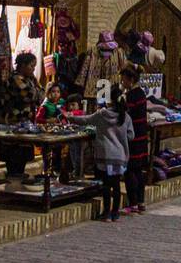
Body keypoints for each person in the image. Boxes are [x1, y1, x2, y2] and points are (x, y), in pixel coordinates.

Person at [67, 87, 133, 221]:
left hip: (104, 156)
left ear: (109, 100)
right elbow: (131, 136)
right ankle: (115, 213)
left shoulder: (102, 114)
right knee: (116, 185)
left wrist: (70, 117)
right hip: (119, 157)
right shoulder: (126, 117)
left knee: (106, 186)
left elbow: (85, 120)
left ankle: (106, 213)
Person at [118, 65, 167, 215]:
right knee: (138, 171)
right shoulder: (140, 93)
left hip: (133, 138)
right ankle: (141, 203)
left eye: (123, 79)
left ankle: (132, 203)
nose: (122, 82)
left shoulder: (132, 96)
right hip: (141, 136)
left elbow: (126, 115)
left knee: (130, 171)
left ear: (131, 79)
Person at [0, 52, 41, 179]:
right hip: (14, 122)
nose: (33, 69)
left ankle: (18, 178)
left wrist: (36, 89)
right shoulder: (15, 80)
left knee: (22, 155)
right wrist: (37, 90)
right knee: (14, 155)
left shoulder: (29, 80)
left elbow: (41, 97)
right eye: (31, 66)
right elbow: (31, 96)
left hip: (25, 122)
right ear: (22, 65)